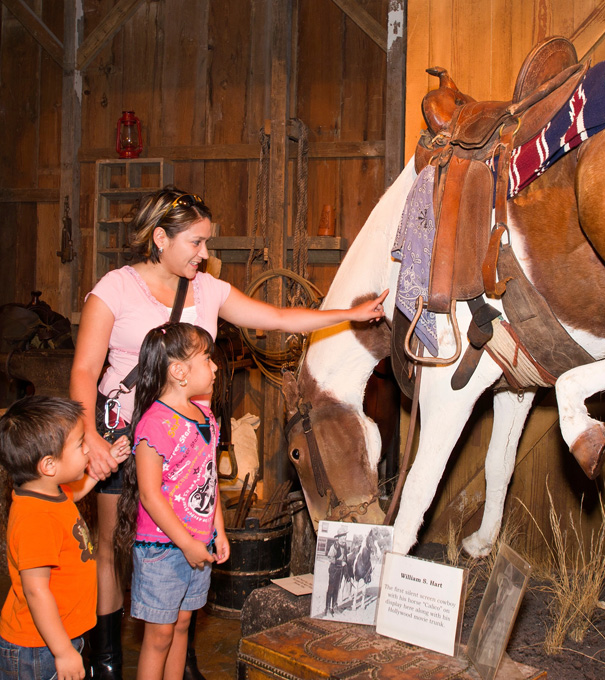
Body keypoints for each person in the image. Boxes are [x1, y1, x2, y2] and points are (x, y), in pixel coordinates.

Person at [69, 185, 389, 679]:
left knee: (189, 538)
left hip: (186, 440)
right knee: (115, 542)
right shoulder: (114, 288)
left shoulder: (208, 291)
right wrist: (87, 433)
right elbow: (86, 370)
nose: (205, 254)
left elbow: (278, 317)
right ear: (160, 238)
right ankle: (108, 659)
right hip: (119, 433)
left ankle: (183, 654)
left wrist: (347, 315)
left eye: (206, 243)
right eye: (195, 243)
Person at [113, 322, 229, 680]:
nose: (215, 367)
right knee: (159, 635)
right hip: (164, 548)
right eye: (207, 359)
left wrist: (218, 532)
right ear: (179, 371)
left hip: (199, 544)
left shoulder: (206, 415)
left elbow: (210, 480)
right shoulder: (155, 424)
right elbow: (149, 494)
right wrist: (187, 544)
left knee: (182, 627)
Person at [0, 396, 130, 680]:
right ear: (48, 465)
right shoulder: (36, 518)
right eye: (80, 444)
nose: (87, 450)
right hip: (37, 648)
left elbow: (79, 491)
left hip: (59, 636)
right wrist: (62, 651)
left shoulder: (49, 492)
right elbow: (36, 591)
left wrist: (110, 460)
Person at [325, 529, 349, 616]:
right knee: (331, 589)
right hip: (333, 570)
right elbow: (330, 558)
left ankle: (334, 606)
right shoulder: (334, 546)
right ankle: (327, 608)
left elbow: (345, 558)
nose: (344, 539)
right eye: (343, 537)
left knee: (337, 589)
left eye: (345, 537)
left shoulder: (345, 546)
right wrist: (340, 562)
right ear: (338, 538)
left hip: (340, 571)